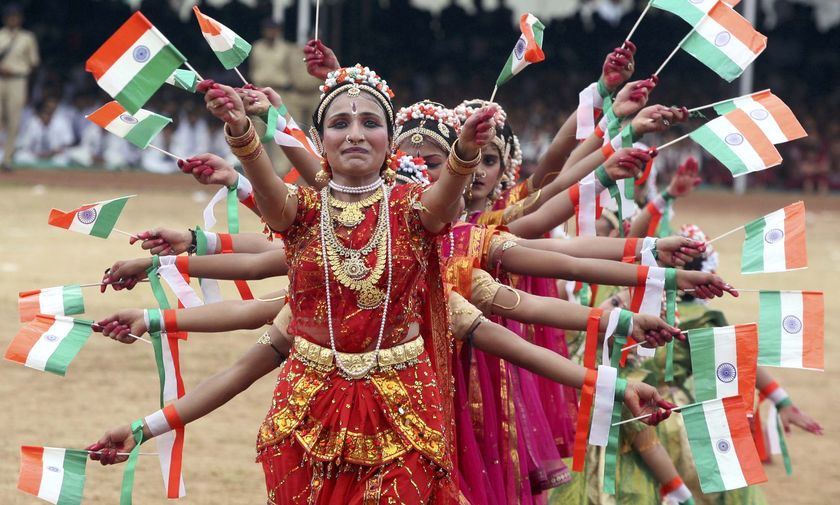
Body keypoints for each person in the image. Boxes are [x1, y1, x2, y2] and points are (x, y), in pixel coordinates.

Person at [0, 3, 39, 172]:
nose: (13, 19)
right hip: (0, 79)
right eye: (10, 16)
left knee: (14, 121)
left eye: (15, 16)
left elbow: (33, 64)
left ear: (20, 19)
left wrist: (30, 87)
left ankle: (7, 160)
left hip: (18, 80)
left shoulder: (27, 38)